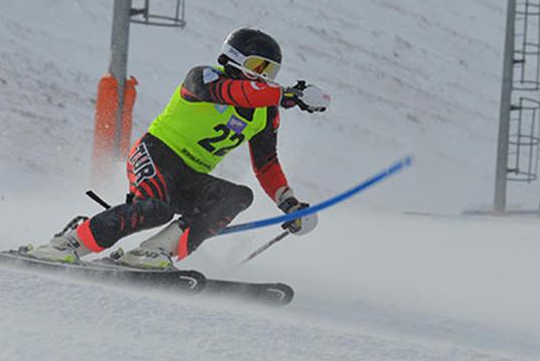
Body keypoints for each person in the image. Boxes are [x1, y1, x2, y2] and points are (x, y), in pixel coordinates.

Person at [26, 28, 329, 269]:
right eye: (256, 67)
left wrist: (289, 205)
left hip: (191, 175)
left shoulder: (266, 110)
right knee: (156, 209)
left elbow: (266, 164)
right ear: (233, 59)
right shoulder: (204, 76)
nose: (263, 76)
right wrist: (287, 94)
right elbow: (236, 92)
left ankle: (156, 252)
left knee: (237, 196)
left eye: (270, 71)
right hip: (157, 154)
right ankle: (66, 244)